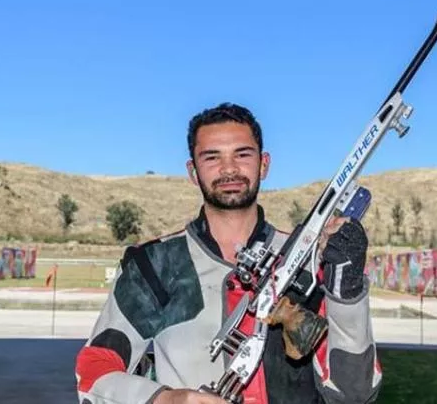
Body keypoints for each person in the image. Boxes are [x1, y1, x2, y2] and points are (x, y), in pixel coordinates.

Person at [75, 103, 383, 404]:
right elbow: (93, 373)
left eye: (242, 154)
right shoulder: (153, 266)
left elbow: (355, 393)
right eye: (212, 157)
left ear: (264, 164)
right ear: (193, 171)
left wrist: (348, 290)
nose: (229, 169)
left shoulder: (310, 263)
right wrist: (167, 399)